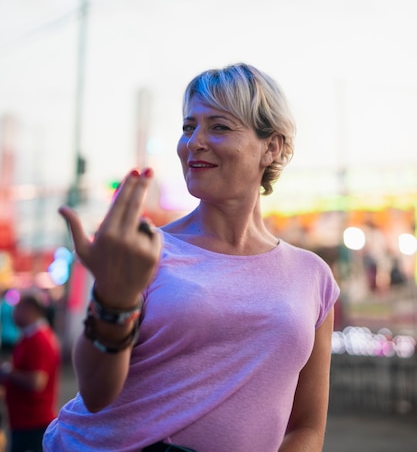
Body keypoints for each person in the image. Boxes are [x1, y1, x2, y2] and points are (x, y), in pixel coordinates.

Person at [44, 63, 340, 452]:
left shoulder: (312, 277)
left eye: (218, 126)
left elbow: (305, 428)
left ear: (272, 147)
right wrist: (113, 302)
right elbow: (96, 392)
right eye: (188, 127)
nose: (194, 142)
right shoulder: (146, 251)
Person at [0, 291, 61, 452]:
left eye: (18, 307)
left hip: (33, 422)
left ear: (31, 309)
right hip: (23, 420)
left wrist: (7, 372)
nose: (14, 312)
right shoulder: (29, 336)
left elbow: (36, 381)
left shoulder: (39, 339)